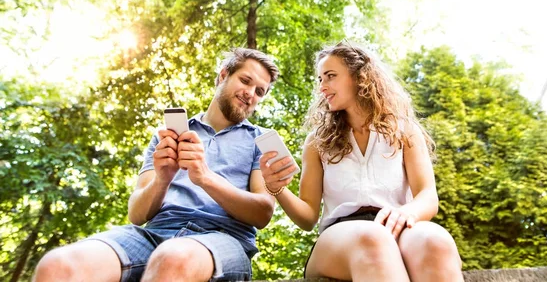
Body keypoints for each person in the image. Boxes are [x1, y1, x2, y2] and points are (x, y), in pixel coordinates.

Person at [34, 48, 280, 282]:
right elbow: (137, 214)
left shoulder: (262, 141)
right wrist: (163, 178)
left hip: (222, 240)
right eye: (246, 81)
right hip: (154, 233)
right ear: (223, 75)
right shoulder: (168, 135)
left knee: (173, 258)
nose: (251, 93)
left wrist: (205, 177)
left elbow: (262, 213)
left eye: (260, 91)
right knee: (58, 265)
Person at [260, 41, 464, 282]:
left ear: (360, 77)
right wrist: (277, 188)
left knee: (435, 241)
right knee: (372, 238)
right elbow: (307, 218)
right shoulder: (317, 142)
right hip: (339, 238)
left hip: (396, 226)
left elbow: (428, 197)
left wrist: (407, 213)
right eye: (320, 79)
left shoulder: (405, 130)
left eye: (330, 76)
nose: (322, 87)